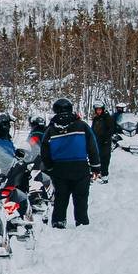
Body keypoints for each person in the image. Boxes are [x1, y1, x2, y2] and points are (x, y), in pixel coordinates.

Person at [40, 97, 101, 227]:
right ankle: (82, 221)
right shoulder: (82, 125)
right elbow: (92, 146)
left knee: (61, 198)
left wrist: (49, 167)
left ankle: (58, 222)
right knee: (81, 198)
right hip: (80, 167)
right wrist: (96, 166)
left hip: (59, 169)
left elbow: (44, 150)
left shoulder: (50, 129)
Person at [90, 102, 116, 181]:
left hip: (105, 142)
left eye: (100, 110)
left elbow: (111, 129)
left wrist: (105, 138)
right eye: (97, 110)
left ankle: (104, 175)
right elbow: (92, 129)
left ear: (103, 109)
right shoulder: (96, 118)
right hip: (96, 141)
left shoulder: (107, 118)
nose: (98, 111)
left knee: (105, 158)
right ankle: (97, 173)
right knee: (96, 157)